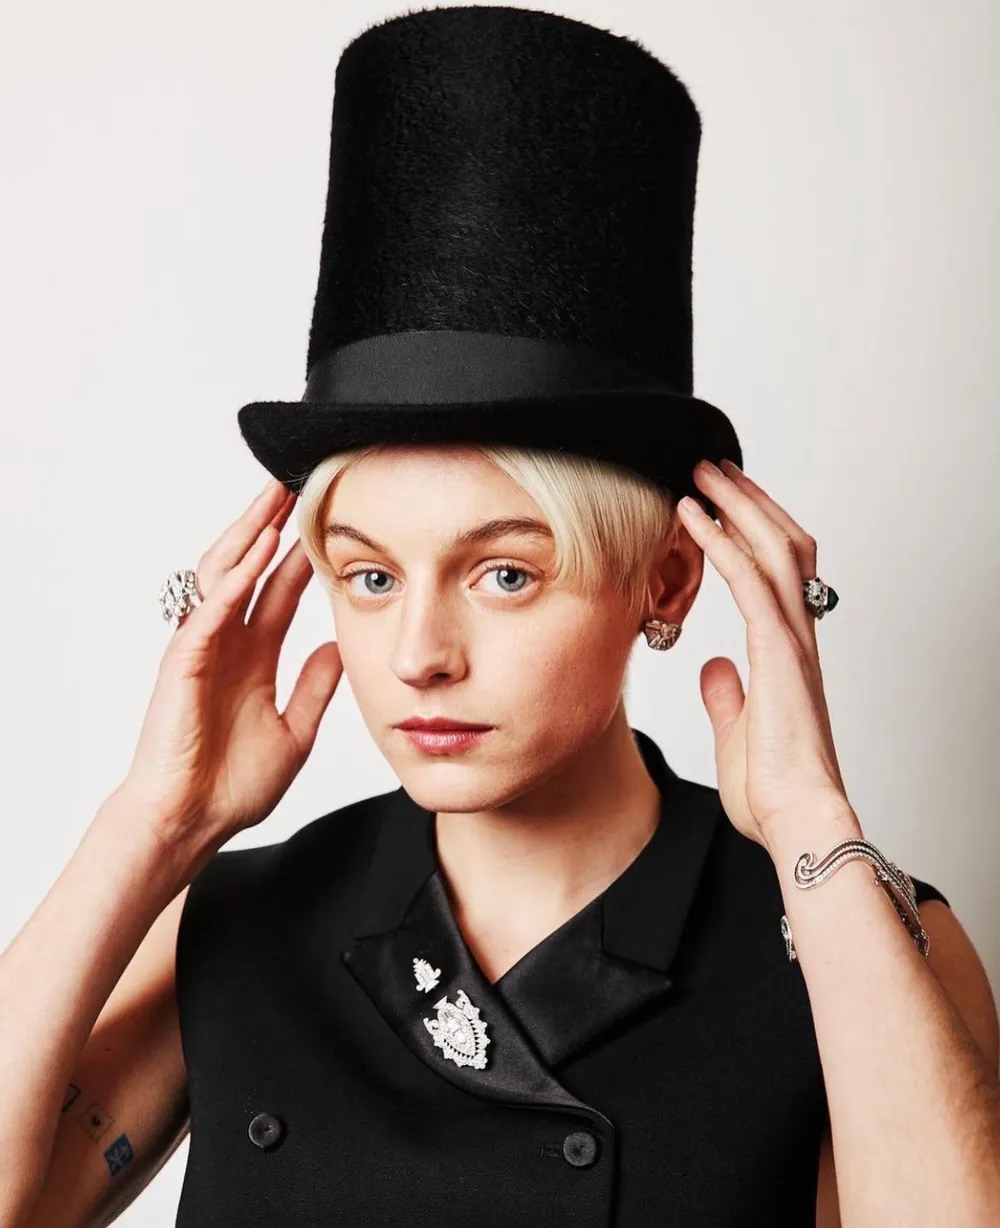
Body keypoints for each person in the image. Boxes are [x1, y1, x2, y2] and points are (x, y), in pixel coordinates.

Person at [3, 7, 998, 1228]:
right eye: (371, 577)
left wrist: (807, 824)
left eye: (505, 575)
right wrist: (153, 823)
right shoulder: (240, 919)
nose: (419, 656)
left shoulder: (853, 933)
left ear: (666, 583)